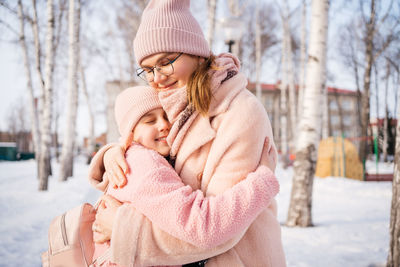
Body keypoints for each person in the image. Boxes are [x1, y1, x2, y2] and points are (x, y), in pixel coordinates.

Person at [88, 0, 287, 266]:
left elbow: (217, 229)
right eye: (147, 70)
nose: (157, 78)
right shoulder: (175, 106)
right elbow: (144, 138)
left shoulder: (240, 114)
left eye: (166, 62)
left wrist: (123, 229)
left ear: (196, 53)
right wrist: (117, 151)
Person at [91, 85, 279, 266]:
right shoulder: (146, 165)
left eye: (166, 116)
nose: (164, 125)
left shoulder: (135, 157)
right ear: (129, 135)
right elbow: (200, 224)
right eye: (150, 121)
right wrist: (262, 182)